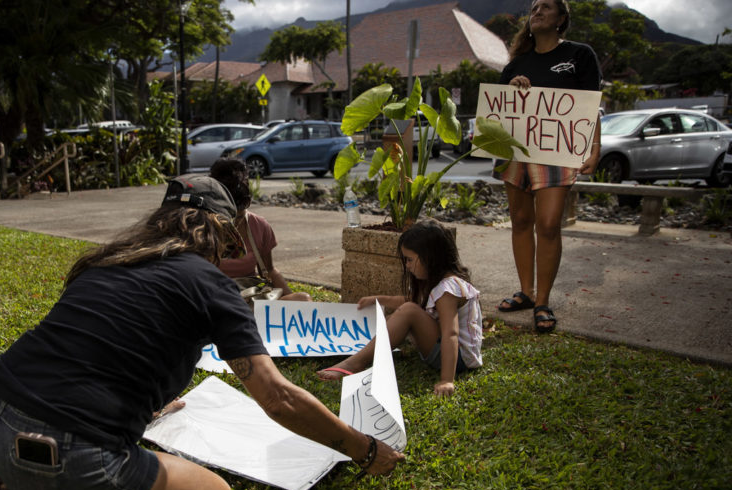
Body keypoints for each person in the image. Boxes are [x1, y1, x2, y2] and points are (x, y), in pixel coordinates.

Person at [0, 175, 402, 490]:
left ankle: (3, 483)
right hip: (72, 457)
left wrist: (145, 402)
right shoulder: (212, 287)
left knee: (26, 449)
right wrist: (361, 448)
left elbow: (92, 349)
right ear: (221, 235)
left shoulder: (106, 261)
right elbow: (279, 398)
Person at [493, 0, 602, 334]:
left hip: (557, 153)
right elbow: (500, 111)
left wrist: (595, 148)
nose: (537, 10)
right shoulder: (516, 64)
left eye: (546, 7)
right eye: (534, 7)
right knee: (521, 221)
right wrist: (512, 91)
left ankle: (543, 300)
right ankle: (526, 292)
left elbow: (591, 105)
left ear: (562, 18)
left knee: (550, 224)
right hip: (516, 151)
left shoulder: (579, 55)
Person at [316, 218, 482, 397]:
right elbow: (413, 300)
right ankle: (366, 354)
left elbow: (451, 333)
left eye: (410, 260)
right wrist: (379, 299)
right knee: (400, 314)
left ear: (430, 257)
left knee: (408, 311)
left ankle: (354, 363)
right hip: (449, 353)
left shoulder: (449, 289)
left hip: (458, 360)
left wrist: (447, 380)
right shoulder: (441, 283)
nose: (407, 266)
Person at [209, 158, 313, 302]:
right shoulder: (201, 228)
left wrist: (292, 302)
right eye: (229, 216)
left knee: (303, 299)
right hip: (215, 299)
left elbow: (269, 270)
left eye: (240, 215)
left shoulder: (258, 225)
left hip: (248, 297)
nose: (235, 222)